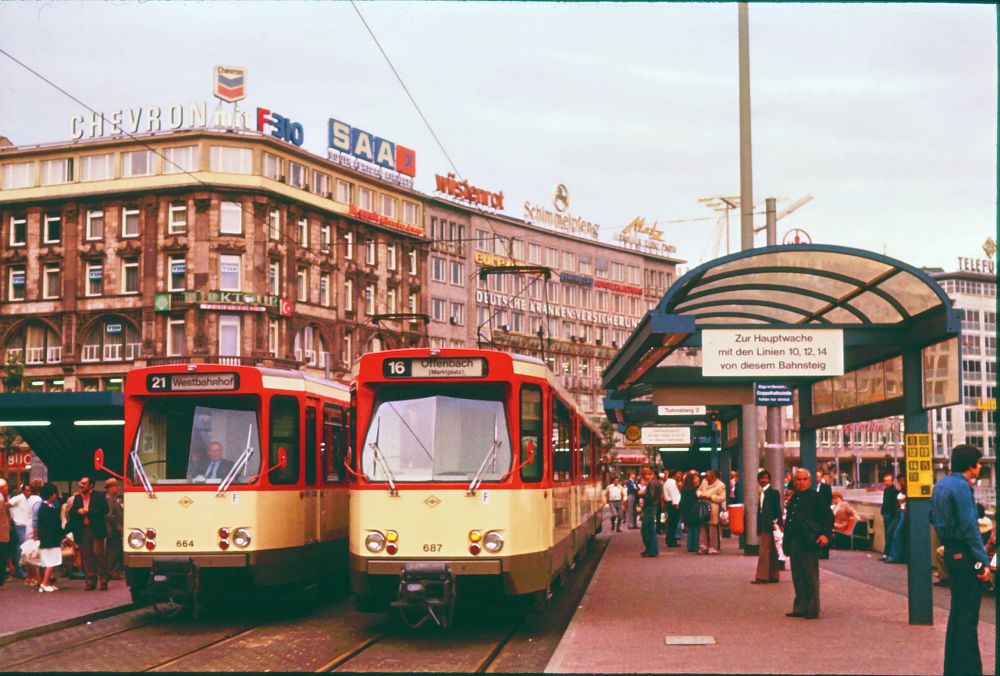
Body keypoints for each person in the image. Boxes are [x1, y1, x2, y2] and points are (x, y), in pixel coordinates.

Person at [930, 445, 991, 676]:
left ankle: (954, 668)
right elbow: (970, 527)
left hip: (951, 552)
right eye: (979, 462)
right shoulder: (962, 487)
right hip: (966, 555)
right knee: (968, 615)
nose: (980, 466)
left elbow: (933, 516)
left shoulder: (942, 484)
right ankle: (969, 669)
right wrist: (982, 562)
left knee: (957, 613)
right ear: (970, 465)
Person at [784, 468, 832, 619]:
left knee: (810, 575)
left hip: (809, 540)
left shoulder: (816, 498)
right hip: (794, 540)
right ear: (794, 481)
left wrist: (825, 534)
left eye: (804, 479)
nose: (801, 482)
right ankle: (800, 607)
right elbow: (790, 520)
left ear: (809, 481)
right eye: (798, 479)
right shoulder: (794, 498)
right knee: (798, 575)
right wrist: (787, 542)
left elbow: (828, 517)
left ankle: (813, 608)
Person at [66, 476, 110, 591]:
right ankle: (90, 580)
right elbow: (71, 513)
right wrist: (78, 511)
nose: (81, 485)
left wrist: (89, 511)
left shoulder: (98, 496)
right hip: (83, 529)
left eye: (84, 483)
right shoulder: (77, 498)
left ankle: (103, 579)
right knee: (87, 555)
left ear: (91, 485)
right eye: (80, 483)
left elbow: (105, 509)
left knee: (98, 553)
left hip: (96, 528)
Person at [35, 483, 66, 593]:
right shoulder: (47, 508)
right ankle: (44, 583)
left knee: (45, 562)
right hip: (51, 538)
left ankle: (45, 582)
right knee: (51, 562)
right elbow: (53, 524)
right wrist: (62, 533)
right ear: (51, 495)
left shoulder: (43, 507)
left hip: (46, 538)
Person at [752, 470, 783, 583]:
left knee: (763, 551)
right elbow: (760, 512)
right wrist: (759, 528)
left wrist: (778, 523)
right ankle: (774, 575)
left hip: (770, 525)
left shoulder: (773, 493)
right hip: (765, 525)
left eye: (765, 478)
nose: (763, 480)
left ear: (769, 480)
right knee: (773, 552)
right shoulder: (761, 493)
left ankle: (762, 576)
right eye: (761, 478)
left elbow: (777, 509)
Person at [8, 482, 36, 580]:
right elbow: (7, 504)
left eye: (30, 491)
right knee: (22, 546)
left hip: (26, 525)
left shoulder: (29, 499)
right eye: (27, 491)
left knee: (22, 546)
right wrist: (11, 517)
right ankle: (20, 570)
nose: (29, 492)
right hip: (19, 524)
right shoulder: (19, 498)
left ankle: (23, 569)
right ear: (23, 491)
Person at [696, 469, 726, 554]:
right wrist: (700, 494)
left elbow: (722, 498)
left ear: (714, 477)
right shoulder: (704, 481)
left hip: (713, 508)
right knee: (702, 527)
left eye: (708, 478)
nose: (707, 479)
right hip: (703, 506)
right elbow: (698, 490)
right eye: (706, 477)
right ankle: (703, 547)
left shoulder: (721, 485)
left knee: (712, 528)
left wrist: (710, 497)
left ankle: (713, 548)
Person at [637, 465, 663, 557]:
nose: (643, 478)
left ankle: (651, 550)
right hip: (652, 506)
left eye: (643, 475)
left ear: (647, 474)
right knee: (650, 529)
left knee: (646, 529)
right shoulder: (655, 482)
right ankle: (651, 550)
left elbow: (651, 497)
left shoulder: (652, 483)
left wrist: (642, 494)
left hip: (650, 507)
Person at [885, 476, 909, 564]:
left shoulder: (908, 490)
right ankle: (890, 555)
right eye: (898, 481)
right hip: (899, 512)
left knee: (897, 533)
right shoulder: (902, 490)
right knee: (891, 531)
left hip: (904, 513)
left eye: (901, 481)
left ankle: (894, 556)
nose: (900, 483)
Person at [105, 478, 124, 580]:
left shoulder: (115, 499)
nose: (117, 488)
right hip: (112, 530)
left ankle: (115, 571)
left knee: (116, 551)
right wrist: (118, 526)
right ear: (110, 487)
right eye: (115, 486)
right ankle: (112, 572)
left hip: (115, 529)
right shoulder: (109, 499)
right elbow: (109, 515)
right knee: (113, 551)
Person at [878, 472, 899, 561]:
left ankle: (887, 553)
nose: (886, 482)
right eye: (885, 481)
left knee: (889, 533)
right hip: (886, 513)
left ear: (892, 481)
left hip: (890, 514)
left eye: (888, 480)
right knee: (888, 533)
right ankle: (887, 553)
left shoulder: (894, 491)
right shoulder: (887, 490)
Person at [814, 470, 833, 559]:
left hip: (823, 512)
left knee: (825, 531)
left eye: (819, 477)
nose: (817, 478)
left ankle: (825, 553)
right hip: (815, 513)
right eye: (816, 477)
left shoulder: (826, 487)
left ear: (821, 478)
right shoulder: (812, 488)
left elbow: (829, 499)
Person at [680, 472, 700, 552]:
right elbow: (697, 498)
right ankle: (695, 546)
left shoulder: (683, 489)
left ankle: (689, 546)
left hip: (686, 510)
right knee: (696, 528)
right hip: (694, 510)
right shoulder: (694, 489)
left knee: (690, 528)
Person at [663, 469, 681, 547]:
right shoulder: (672, 483)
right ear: (674, 475)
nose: (679, 476)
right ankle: (671, 541)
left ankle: (670, 539)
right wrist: (676, 503)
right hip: (673, 504)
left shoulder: (667, 482)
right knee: (673, 523)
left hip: (669, 503)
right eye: (677, 474)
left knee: (671, 522)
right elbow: (674, 494)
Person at [0, 479, 10, 591]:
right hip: (1, 534)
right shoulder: (0, 499)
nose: (8, 488)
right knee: (1, 557)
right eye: (6, 486)